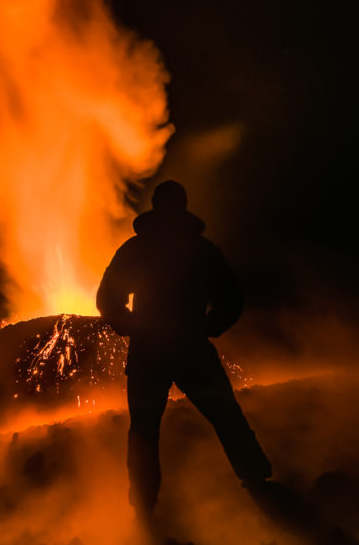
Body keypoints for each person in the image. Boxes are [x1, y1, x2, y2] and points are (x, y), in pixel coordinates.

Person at [96, 180, 271, 516]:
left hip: (150, 353)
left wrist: (132, 327)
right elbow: (231, 297)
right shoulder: (201, 250)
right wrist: (209, 326)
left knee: (146, 428)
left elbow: (108, 298)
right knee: (225, 415)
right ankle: (256, 478)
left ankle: (145, 502)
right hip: (190, 348)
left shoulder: (137, 250)